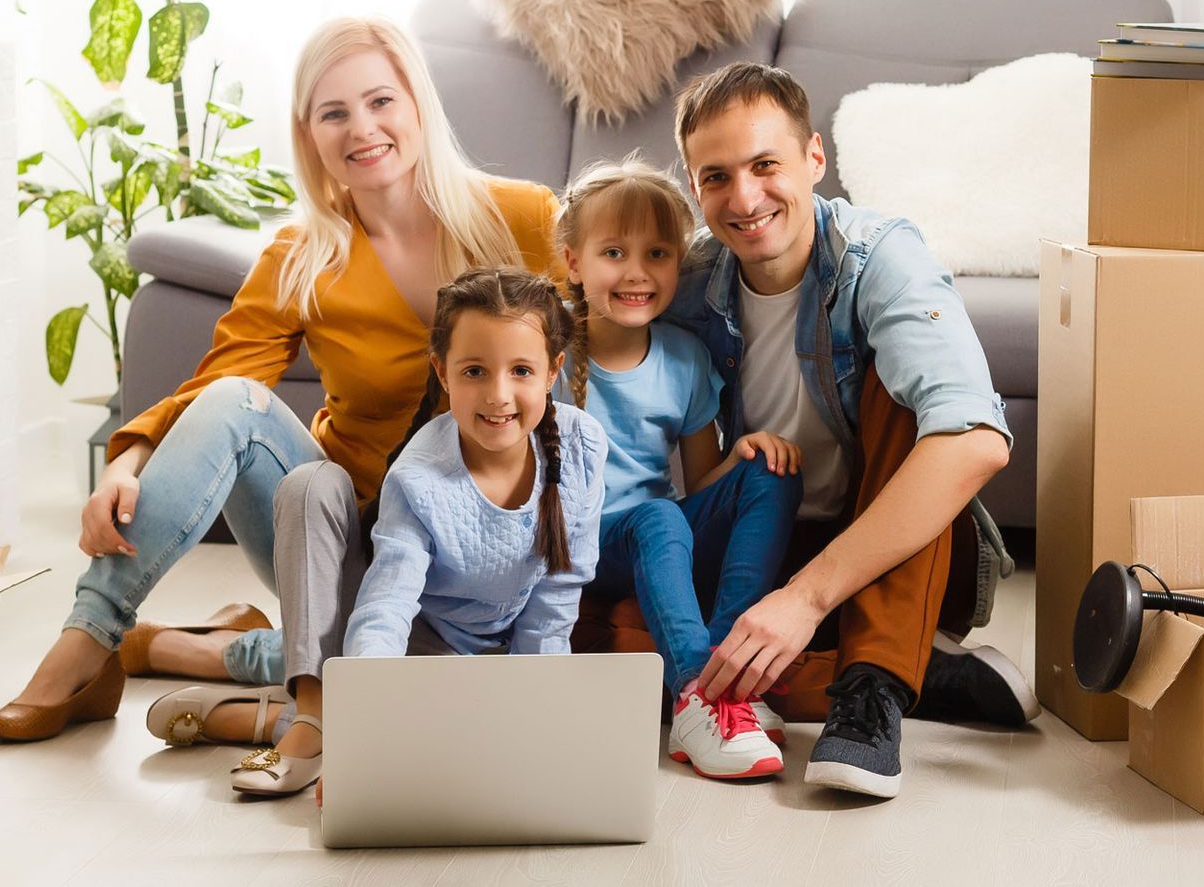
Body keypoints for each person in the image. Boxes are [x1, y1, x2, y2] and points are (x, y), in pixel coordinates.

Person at [0, 18, 563, 745]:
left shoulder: (528, 219)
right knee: (237, 404)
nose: (362, 128)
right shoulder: (301, 253)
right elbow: (219, 383)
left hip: (487, 543)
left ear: (419, 103)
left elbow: (618, 323)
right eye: (334, 112)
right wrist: (127, 460)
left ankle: (185, 648)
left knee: (402, 657)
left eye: (381, 101)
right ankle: (88, 641)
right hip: (345, 530)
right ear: (309, 133)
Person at [665, 62, 1035, 799]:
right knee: (617, 646)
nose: (744, 198)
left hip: (892, 541)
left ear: (814, 159)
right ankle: (918, 669)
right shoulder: (688, 285)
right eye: (715, 177)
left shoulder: (879, 255)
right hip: (759, 544)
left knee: (912, 395)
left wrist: (802, 601)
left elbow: (977, 439)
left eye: (766, 164)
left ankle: (869, 687)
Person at [227, 267, 608, 797]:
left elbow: (556, 600)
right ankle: (302, 720)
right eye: (475, 371)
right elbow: (385, 607)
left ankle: (220, 686)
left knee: (498, 743)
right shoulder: (419, 475)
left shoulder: (581, 446)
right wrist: (364, 738)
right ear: (443, 371)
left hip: (493, 658)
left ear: (552, 372)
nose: (499, 395)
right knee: (420, 735)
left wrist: (534, 713)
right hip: (415, 649)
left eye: (521, 370)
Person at [553, 159, 803, 780]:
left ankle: (725, 672)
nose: (637, 273)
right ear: (573, 262)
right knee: (658, 517)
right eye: (614, 252)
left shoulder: (685, 357)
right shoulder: (544, 352)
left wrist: (743, 458)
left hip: (659, 536)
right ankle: (701, 692)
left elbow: (700, 484)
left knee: (771, 470)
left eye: (658, 254)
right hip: (577, 540)